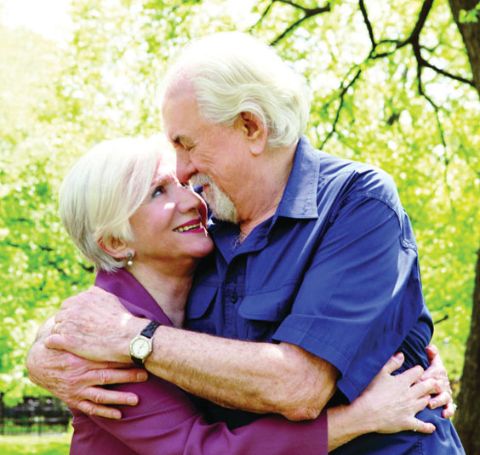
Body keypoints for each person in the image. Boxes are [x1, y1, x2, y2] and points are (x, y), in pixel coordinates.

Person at [28, 32, 464, 453]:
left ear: (251, 127)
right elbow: (108, 301)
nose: (182, 173)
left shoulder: (357, 204)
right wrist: (45, 354)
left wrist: (135, 340)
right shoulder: (205, 229)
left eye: (187, 145)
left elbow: (299, 386)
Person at [56, 135, 436, 454]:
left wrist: (415, 359)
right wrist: (357, 419)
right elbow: (197, 450)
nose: (193, 201)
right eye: (158, 192)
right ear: (116, 243)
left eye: (184, 184)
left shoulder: (215, 258)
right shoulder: (101, 339)